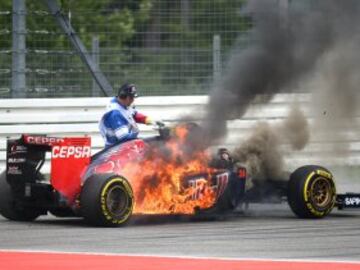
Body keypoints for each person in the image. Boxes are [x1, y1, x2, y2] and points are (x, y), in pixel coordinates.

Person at [99, 83, 157, 148]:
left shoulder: (122, 104)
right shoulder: (114, 114)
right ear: (123, 96)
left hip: (123, 146)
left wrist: (148, 120)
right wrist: (137, 133)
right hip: (115, 149)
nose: (133, 100)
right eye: (131, 98)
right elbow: (124, 138)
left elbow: (134, 114)